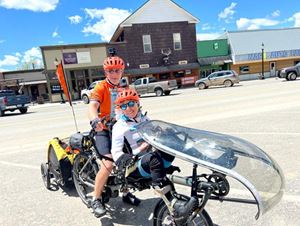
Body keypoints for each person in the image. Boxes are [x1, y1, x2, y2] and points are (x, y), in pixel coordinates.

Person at [111, 88, 198, 222]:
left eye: (131, 104)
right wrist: (137, 152)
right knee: (154, 160)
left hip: (152, 157)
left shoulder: (144, 118)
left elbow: (155, 136)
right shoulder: (119, 126)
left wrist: (164, 134)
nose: (128, 108)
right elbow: (116, 153)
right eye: (123, 106)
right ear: (120, 109)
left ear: (137, 103)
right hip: (135, 165)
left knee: (173, 140)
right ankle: (175, 205)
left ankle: (205, 159)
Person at [88, 56, 140, 217]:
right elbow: (93, 105)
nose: (114, 74)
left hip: (119, 128)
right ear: (106, 72)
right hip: (102, 129)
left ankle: (125, 193)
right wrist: (94, 119)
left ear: (122, 71)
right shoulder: (101, 87)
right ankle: (95, 199)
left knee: (126, 159)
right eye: (111, 71)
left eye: (117, 70)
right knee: (109, 164)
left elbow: (134, 103)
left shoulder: (124, 86)